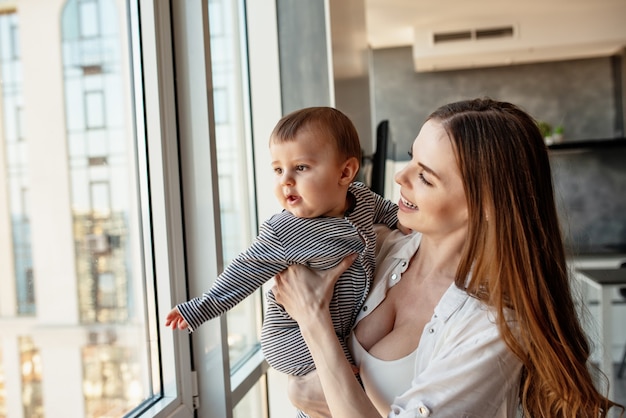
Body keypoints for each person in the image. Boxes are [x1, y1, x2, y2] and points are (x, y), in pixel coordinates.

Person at [273, 98, 625, 417]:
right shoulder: (377, 248)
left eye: (425, 177)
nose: (401, 176)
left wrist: (314, 324)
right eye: (412, 157)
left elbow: (315, 355)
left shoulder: (493, 327)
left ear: (484, 203)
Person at [165, 106, 405, 377]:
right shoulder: (285, 230)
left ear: (345, 173)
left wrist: (414, 226)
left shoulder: (362, 198)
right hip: (291, 336)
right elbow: (244, 270)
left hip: (335, 325)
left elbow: (390, 213)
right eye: (278, 170)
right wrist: (201, 307)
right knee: (349, 382)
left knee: (339, 389)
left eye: (300, 167)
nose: (286, 181)